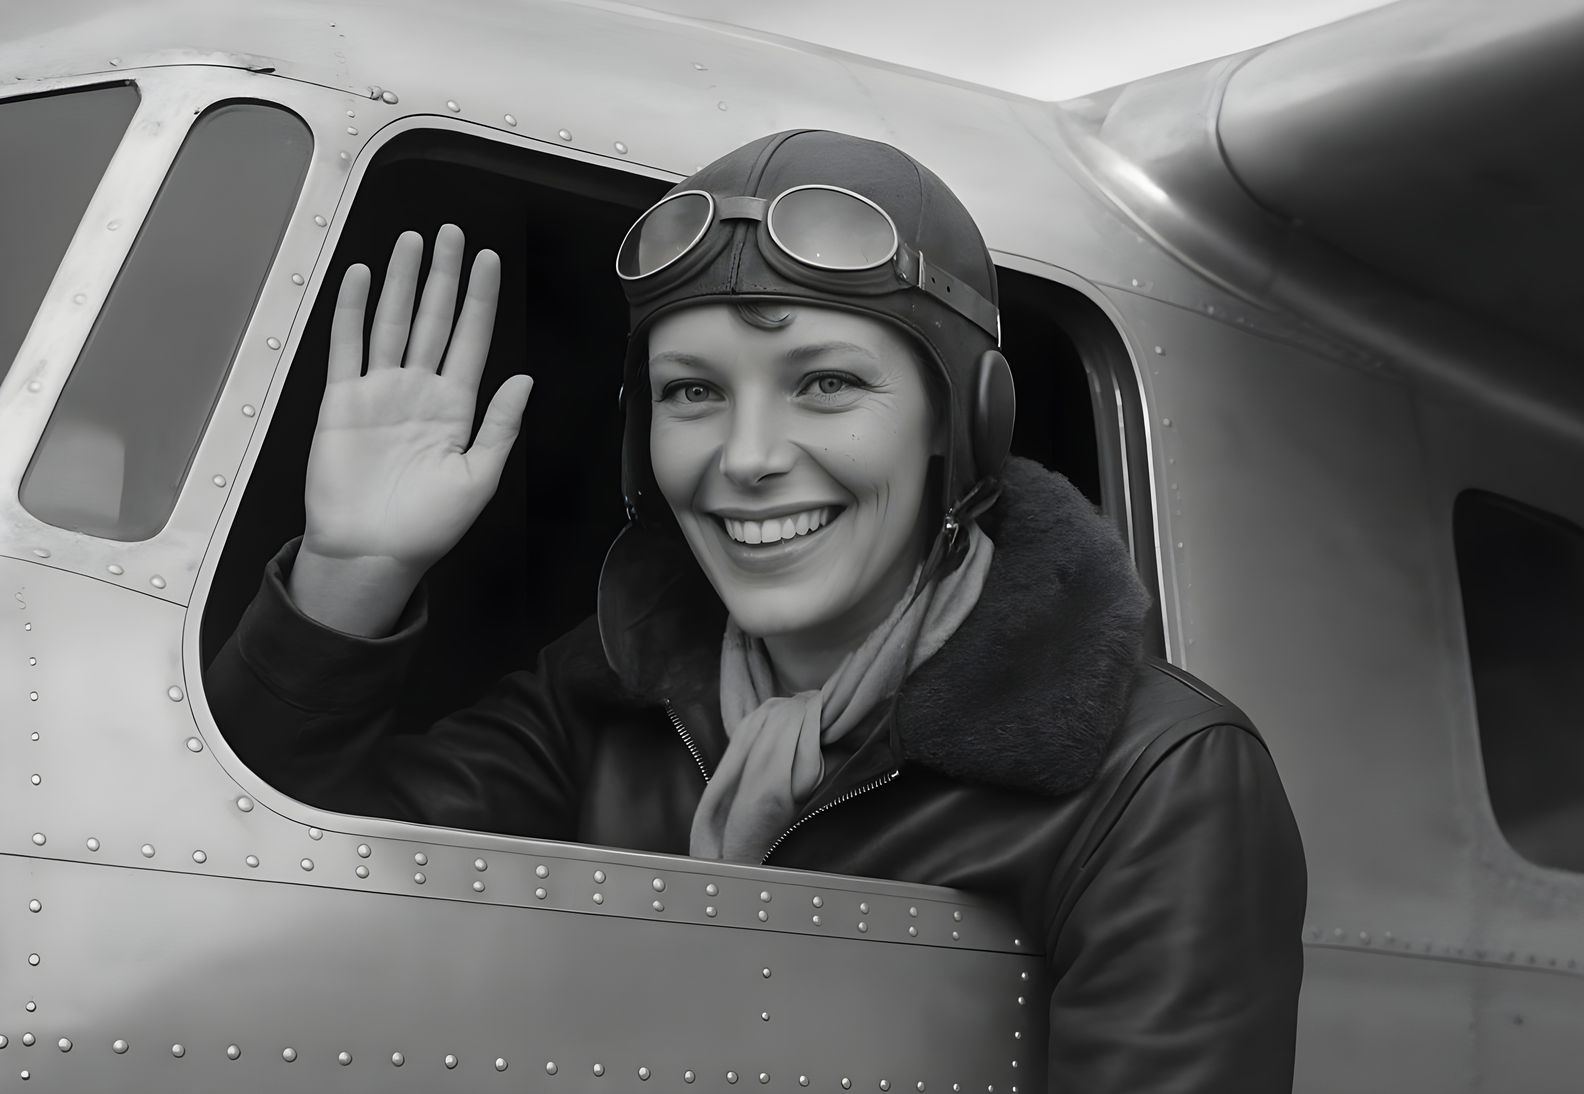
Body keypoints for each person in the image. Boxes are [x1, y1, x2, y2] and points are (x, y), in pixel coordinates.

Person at [207, 129, 1307, 1090]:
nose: (746, 457)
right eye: (693, 391)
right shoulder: (600, 697)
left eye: (826, 383)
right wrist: (352, 571)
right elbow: (257, 876)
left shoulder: (1154, 777)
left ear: (960, 422)